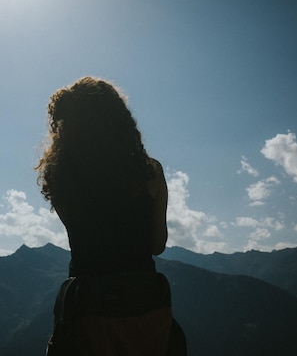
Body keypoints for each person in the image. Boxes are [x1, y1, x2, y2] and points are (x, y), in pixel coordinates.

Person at [36, 77, 186, 355]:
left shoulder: (60, 176)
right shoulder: (149, 172)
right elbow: (157, 245)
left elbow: (80, 236)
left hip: (87, 309)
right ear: (118, 119)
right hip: (144, 309)